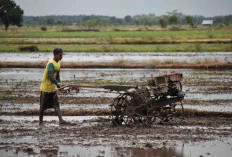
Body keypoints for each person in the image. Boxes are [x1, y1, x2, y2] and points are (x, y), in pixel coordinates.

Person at [39, 48, 68, 125]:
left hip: (52, 88)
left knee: (56, 105)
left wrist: (60, 86)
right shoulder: (51, 63)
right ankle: (40, 122)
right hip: (45, 88)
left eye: (62, 55)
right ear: (55, 55)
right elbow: (50, 75)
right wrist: (57, 83)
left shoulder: (58, 64)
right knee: (42, 107)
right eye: (60, 55)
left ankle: (61, 120)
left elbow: (57, 76)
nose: (61, 57)